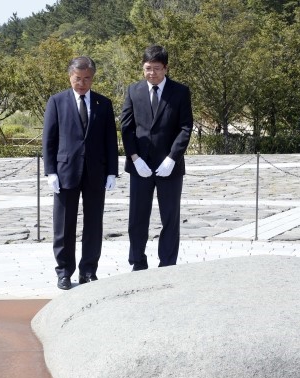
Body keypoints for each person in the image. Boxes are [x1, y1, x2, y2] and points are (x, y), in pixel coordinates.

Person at [42, 56, 119, 290]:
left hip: (96, 172)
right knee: (64, 226)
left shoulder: (103, 103)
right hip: (66, 172)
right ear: (70, 77)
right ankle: (64, 272)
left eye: (87, 78)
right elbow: (49, 140)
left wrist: (112, 172)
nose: (82, 83)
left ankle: (88, 271)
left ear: (93, 78)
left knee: (93, 225)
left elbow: (110, 140)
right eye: (78, 78)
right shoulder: (57, 102)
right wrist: (50, 171)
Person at [121, 45, 193, 271]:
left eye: (157, 68)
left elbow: (185, 127)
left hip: (169, 166)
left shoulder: (180, 91)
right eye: (147, 68)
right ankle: (137, 261)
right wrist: (134, 157)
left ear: (166, 68)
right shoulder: (133, 91)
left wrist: (172, 158)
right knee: (137, 217)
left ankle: (167, 263)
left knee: (170, 217)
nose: (152, 73)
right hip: (140, 165)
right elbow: (126, 128)